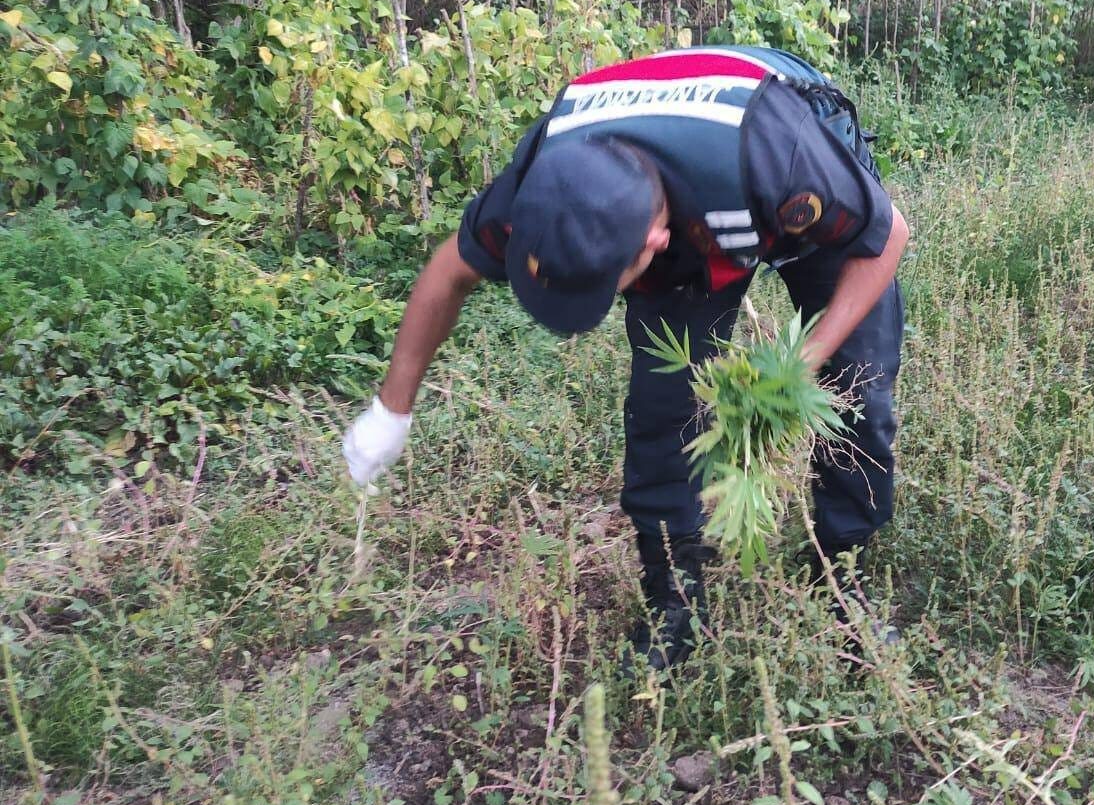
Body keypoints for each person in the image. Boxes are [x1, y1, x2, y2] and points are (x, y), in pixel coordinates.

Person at [342, 46, 908, 671]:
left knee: (857, 384)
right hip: (686, 196)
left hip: (776, 161)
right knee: (664, 402)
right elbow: (448, 273)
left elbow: (887, 239)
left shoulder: (785, 155)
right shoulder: (541, 181)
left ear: (656, 242)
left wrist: (799, 364)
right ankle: (674, 598)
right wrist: (391, 410)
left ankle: (842, 570)